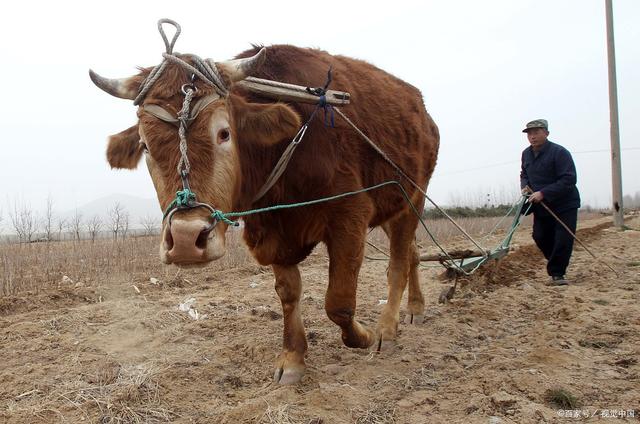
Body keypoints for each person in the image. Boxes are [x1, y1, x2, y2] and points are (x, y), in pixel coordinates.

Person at [520, 119, 580, 286]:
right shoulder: (526, 154)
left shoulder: (560, 153)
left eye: (536, 132)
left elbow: (569, 179)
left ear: (546, 133)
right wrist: (525, 187)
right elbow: (524, 174)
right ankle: (556, 260)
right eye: (530, 134)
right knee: (540, 236)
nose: (532, 136)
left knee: (563, 238)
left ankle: (557, 274)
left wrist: (544, 193)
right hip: (540, 206)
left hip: (564, 204)